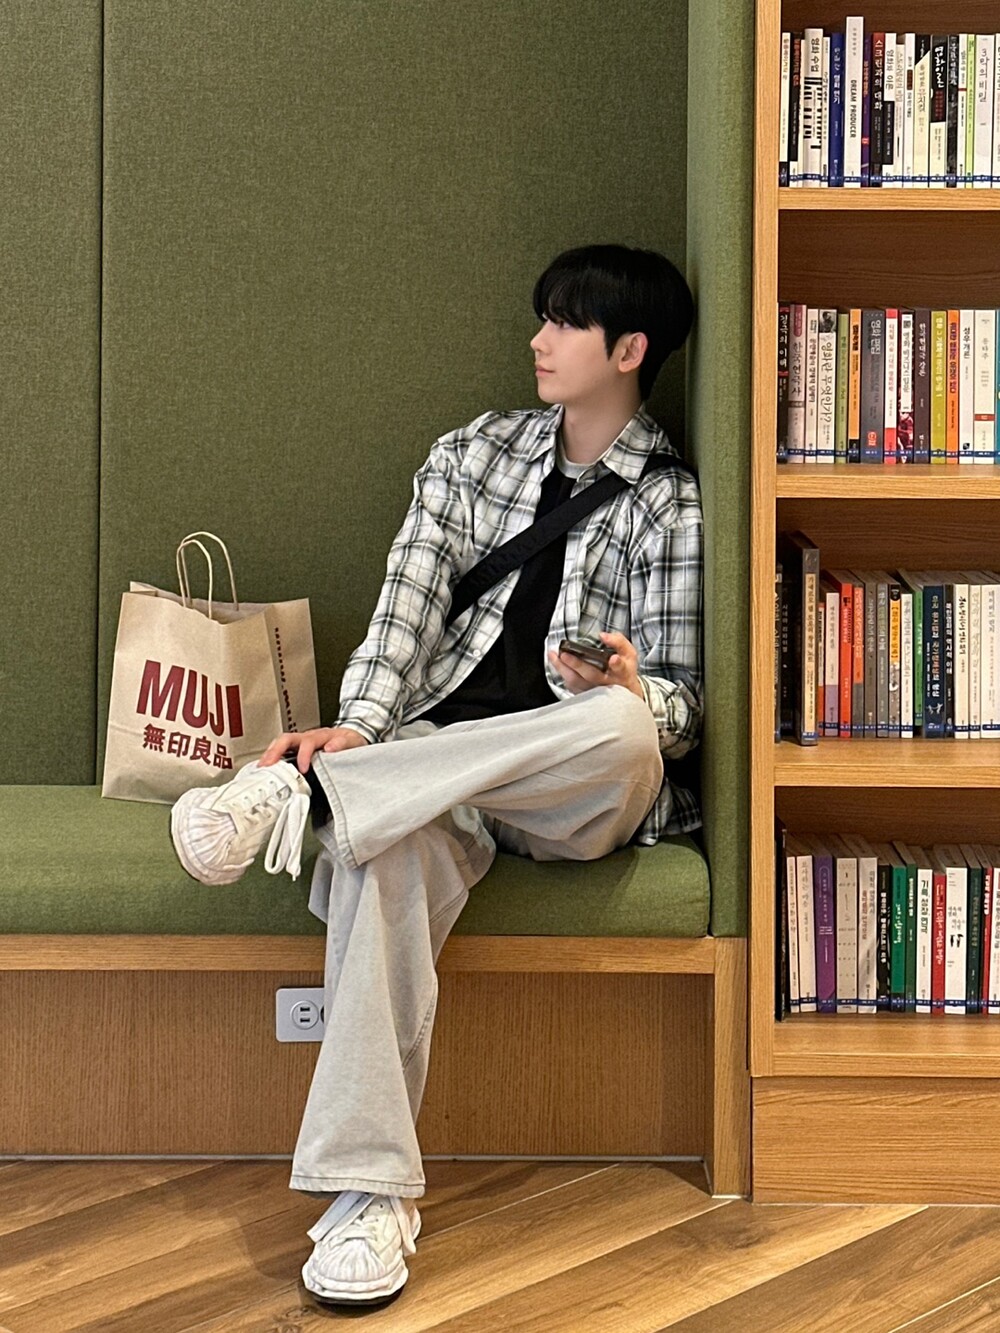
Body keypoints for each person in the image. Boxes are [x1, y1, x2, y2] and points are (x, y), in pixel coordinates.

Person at [169, 243, 703, 1310]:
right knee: (388, 850)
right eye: (542, 318)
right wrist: (362, 728)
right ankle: (368, 1197)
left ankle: (312, 796)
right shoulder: (472, 455)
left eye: (564, 323)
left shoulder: (669, 503)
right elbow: (404, 612)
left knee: (623, 726)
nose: (538, 341)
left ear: (628, 349)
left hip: (572, 780)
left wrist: (633, 685)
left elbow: (684, 707)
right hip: (432, 766)